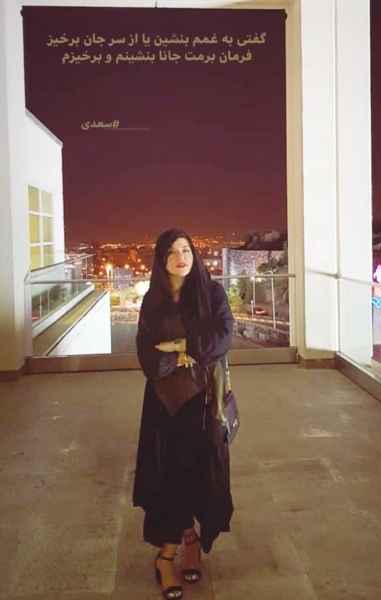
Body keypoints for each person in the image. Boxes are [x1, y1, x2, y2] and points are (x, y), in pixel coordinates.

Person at [133, 228, 234, 600]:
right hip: (163, 402)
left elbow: (223, 338)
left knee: (197, 472)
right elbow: (146, 354)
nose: (182, 257)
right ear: (162, 260)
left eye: (187, 250)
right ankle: (169, 553)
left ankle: (188, 543)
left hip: (202, 400)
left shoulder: (211, 293)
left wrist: (180, 344)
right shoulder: (153, 300)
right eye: (173, 252)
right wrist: (181, 356)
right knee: (167, 475)